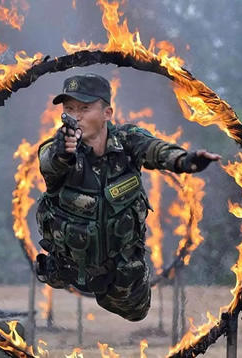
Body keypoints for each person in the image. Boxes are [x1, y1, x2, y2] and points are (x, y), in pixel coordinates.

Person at [35, 73, 221, 321]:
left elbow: (155, 149)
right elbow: (49, 164)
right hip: (70, 267)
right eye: (69, 108)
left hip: (120, 270)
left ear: (107, 113)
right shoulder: (56, 148)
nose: (76, 115)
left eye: (85, 108)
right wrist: (63, 153)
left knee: (136, 313)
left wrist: (185, 160)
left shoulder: (127, 139)